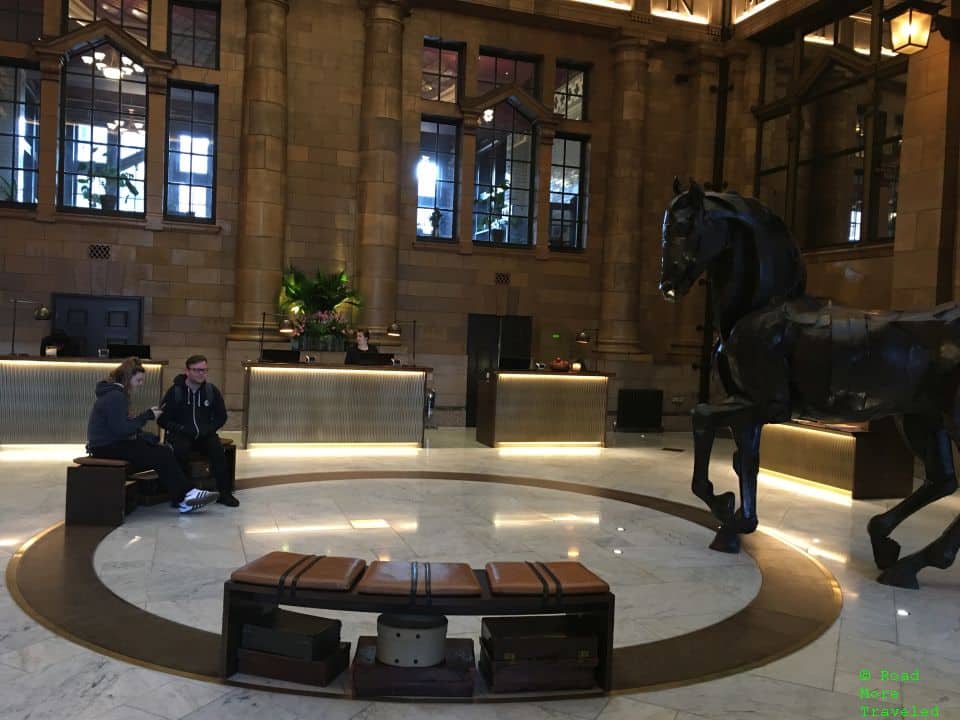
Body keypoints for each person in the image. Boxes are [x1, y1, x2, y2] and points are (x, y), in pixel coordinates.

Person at [86, 357, 219, 514]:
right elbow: (122, 429)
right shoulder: (116, 396)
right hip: (106, 447)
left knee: (161, 451)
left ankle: (184, 496)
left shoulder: (114, 394)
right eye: (139, 380)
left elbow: (121, 427)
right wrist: (147, 416)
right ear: (128, 377)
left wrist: (144, 435)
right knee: (161, 454)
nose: (140, 384)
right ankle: (186, 496)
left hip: (110, 443)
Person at [157, 354, 239, 507]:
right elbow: (162, 419)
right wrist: (180, 428)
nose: (201, 373)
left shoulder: (211, 391)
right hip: (181, 434)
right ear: (187, 371)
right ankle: (182, 496)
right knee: (180, 452)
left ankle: (225, 494)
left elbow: (221, 417)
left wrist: (209, 429)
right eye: (197, 370)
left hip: (205, 434)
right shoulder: (175, 392)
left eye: (204, 370)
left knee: (218, 453)